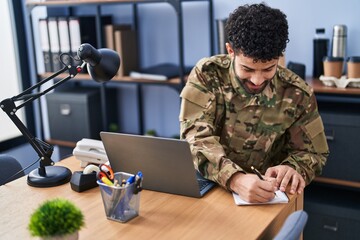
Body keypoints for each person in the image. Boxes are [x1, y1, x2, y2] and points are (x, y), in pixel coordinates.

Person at [179, 3, 329, 203]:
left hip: (266, 195)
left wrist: (293, 168)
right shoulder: (207, 74)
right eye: (247, 69)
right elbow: (195, 137)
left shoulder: (297, 93)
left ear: (279, 57)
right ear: (230, 51)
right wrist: (235, 179)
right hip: (211, 188)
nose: (257, 80)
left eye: (268, 69)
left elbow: (313, 152)